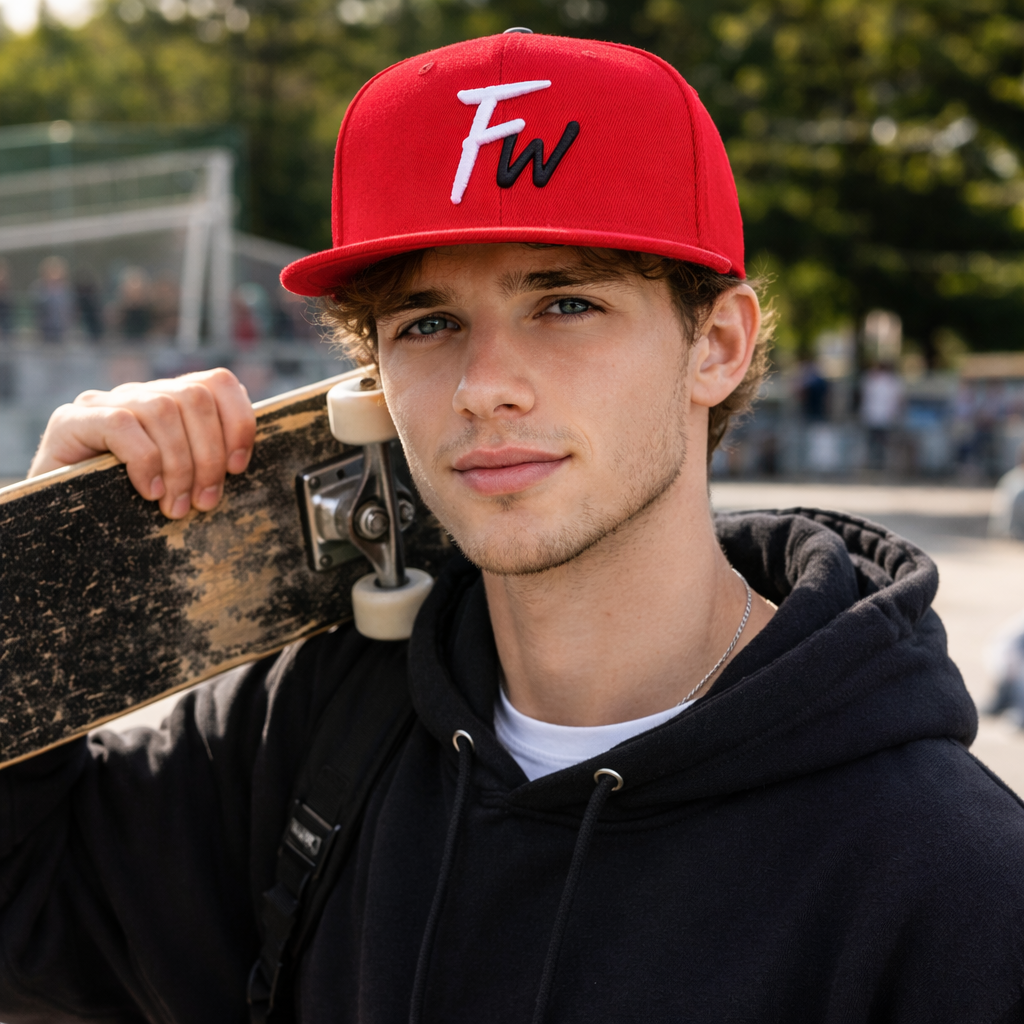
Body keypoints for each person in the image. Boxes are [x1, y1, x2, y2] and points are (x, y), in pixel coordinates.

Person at [3, 32, 1024, 1024]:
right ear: (374, 380)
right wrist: (43, 583)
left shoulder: (949, 883)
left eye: (566, 303)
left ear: (715, 345)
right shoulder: (317, 728)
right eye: (428, 323)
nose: (485, 386)